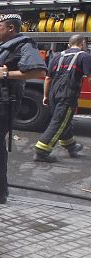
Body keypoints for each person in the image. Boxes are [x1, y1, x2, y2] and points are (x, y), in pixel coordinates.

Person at [0, 10, 46, 204]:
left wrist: (7, 75)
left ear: (11, 28)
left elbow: (38, 70)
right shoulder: (0, 45)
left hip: (3, 100)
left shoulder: (23, 44)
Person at [33, 34, 91, 162]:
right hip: (68, 95)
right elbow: (89, 77)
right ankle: (41, 150)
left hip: (54, 93)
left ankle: (71, 146)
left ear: (69, 44)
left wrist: (45, 96)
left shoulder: (57, 56)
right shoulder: (84, 56)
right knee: (59, 122)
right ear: (82, 43)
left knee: (64, 119)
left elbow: (48, 78)